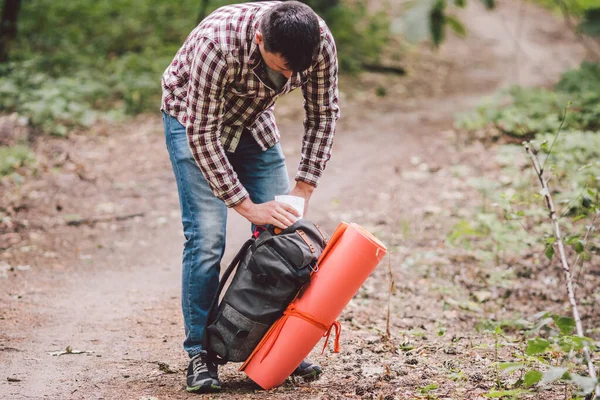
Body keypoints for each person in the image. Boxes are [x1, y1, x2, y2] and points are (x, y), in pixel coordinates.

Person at [161, 0, 339, 393]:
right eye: (281, 68)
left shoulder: (319, 40)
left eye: (297, 71)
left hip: (253, 120)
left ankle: (274, 344)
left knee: (288, 236)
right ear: (259, 39)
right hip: (192, 121)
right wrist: (246, 206)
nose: (290, 77)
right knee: (208, 238)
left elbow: (323, 112)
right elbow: (203, 135)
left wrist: (303, 188)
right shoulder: (217, 45)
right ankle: (200, 353)